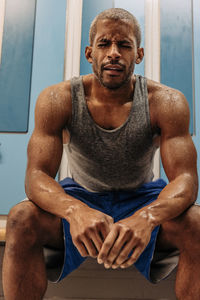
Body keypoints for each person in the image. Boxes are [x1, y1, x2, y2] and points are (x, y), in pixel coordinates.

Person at [2, 7, 199, 300]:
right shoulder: (58, 99)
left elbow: (185, 180)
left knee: (196, 224)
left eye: (124, 45)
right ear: (89, 53)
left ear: (139, 54)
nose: (114, 53)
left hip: (143, 197)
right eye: (105, 44)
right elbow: (36, 175)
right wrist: (74, 210)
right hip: (81, 195)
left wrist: (146, 217)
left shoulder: (167, 102)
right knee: (21, 218)